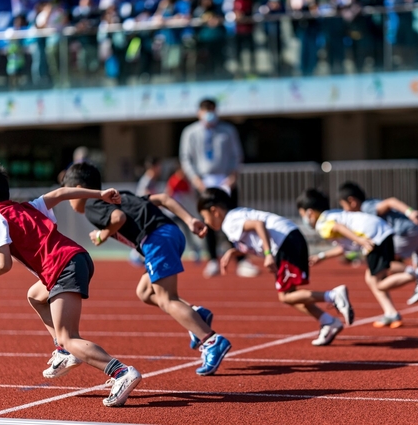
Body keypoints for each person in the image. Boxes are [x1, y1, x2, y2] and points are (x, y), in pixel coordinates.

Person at [0, 163, 141, 407]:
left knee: (69, 336)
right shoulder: (23, 207)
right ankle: (64, 353)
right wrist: (98, 194)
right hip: (77, 257)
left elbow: (3, 264)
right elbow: (61, 193)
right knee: (35, 295)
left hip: (62, 266)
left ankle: (120, 372)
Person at [60, 163, 231, 376]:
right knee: (145, 291)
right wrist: (189, 220)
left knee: (168, 298)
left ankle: (211, 340)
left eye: (68, 195)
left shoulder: (92, 205)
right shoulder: (119, 195)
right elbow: (163, 199)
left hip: (156, 238)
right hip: (171, 232)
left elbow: (118, 219)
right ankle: (195, 313)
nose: (68, 202)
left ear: (78, 188)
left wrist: (102, 235)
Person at [198, 188, 354, 346]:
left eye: (205, 217)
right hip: (291, 238)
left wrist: (267, 254)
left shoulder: (229, 222)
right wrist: (234, 252)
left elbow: (258, 225)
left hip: (284, 244)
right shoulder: (236, 215)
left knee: (285, 296)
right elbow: (253, 240)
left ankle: (333, 296)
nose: (206, 222)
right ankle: (327, 321)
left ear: (214, 211)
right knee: (291, 295)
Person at [297, 189, 418, 328]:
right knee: (372, 276)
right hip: (382, 231)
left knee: (378, 282)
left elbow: (339, 228)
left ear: (310, 213)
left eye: (302, 215)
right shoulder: (333, 214)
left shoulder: (322, 225)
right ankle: (391, 313)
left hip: (373, 236)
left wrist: (360, 240)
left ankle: (417, 274)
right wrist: (322, 256)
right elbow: (343, 247)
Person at [179, 98, 258, 279]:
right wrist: (196, 180)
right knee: (207, 222)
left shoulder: (228, 131)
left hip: (225, 183)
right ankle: (213, 259)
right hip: (204, 183)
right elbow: (186, 159)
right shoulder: (190, 133)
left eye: (212, 110)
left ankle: (241, 260)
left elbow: (236, 155)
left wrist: (232, 177)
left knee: (234, 219)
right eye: (205, 110)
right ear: (199, 112)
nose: (209, 114)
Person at [337, 181, 418, 305]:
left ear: (352, 201)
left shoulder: (366, 208)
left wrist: (410, 211)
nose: (345, 211)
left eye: (344, 206)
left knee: (384, 264)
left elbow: (391, 202)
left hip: (407, 230)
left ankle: (417, 275)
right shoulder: (370, 204)